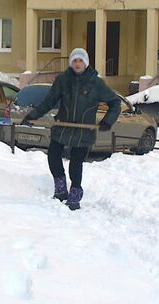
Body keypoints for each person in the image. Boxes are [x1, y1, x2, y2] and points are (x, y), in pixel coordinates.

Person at [21, 48, 121, 210]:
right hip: (63, 126)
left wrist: (107, 121)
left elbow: (115, 103)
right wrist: (33, 115)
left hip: (83, 130)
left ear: (86, 63)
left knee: (76, 162)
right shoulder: (63, 80)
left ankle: (75, 192)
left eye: (80, 60)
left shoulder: (96, 83)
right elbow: (49, 101)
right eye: (74, 60)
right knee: (53, 155)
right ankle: (60, 188)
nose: (77, 64)